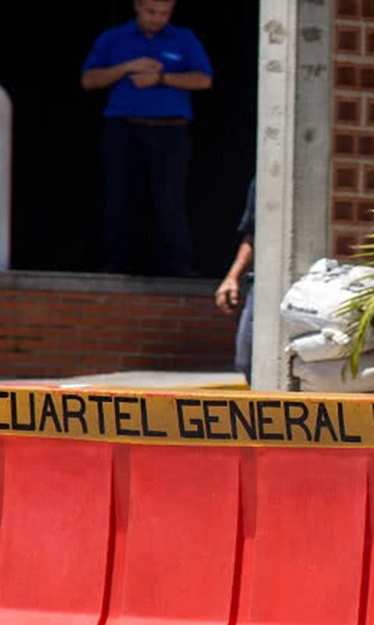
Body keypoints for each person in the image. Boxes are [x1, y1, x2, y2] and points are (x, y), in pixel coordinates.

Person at [81, 0, 212, 277]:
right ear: (137, 7)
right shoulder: (114, 38)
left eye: (164, 13)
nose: (157, 18)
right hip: (124, 128)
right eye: (151, 12)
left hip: (171, 129)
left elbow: (203, 80)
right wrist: (128, 66)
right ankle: (116, 262)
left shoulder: (184, 38)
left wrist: (161, 79)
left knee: (169, 197)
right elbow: (89, 79)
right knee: (120, 194)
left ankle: (177, 265)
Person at [215, 177, 255, 384]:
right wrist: (232, 278)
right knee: (246, 360)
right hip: (261, 284)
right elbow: (252, 234)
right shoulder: (261, 182)